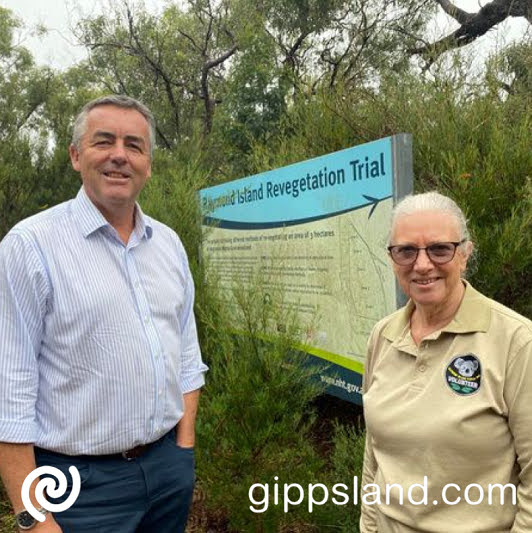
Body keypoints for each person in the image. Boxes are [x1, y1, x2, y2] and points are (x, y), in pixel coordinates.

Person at [0, 95, 208, 532]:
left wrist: (183, 449)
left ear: (148, 162)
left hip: (167, 470)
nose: (119, 155)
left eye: (134, 145)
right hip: (77, 489)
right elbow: (9, 391)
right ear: (76, 156)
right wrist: (33, 518)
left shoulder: (169, 245)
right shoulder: (29, 247)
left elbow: (187, 356)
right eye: (104, 141)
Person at [360, 191, 532, 532]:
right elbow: (374, 452)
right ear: (393, 259)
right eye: (406, 250)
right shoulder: (383, 335)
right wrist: (368, 525)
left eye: (440, 249)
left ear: (465, 255)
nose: (422, 265)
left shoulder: (516, 342)